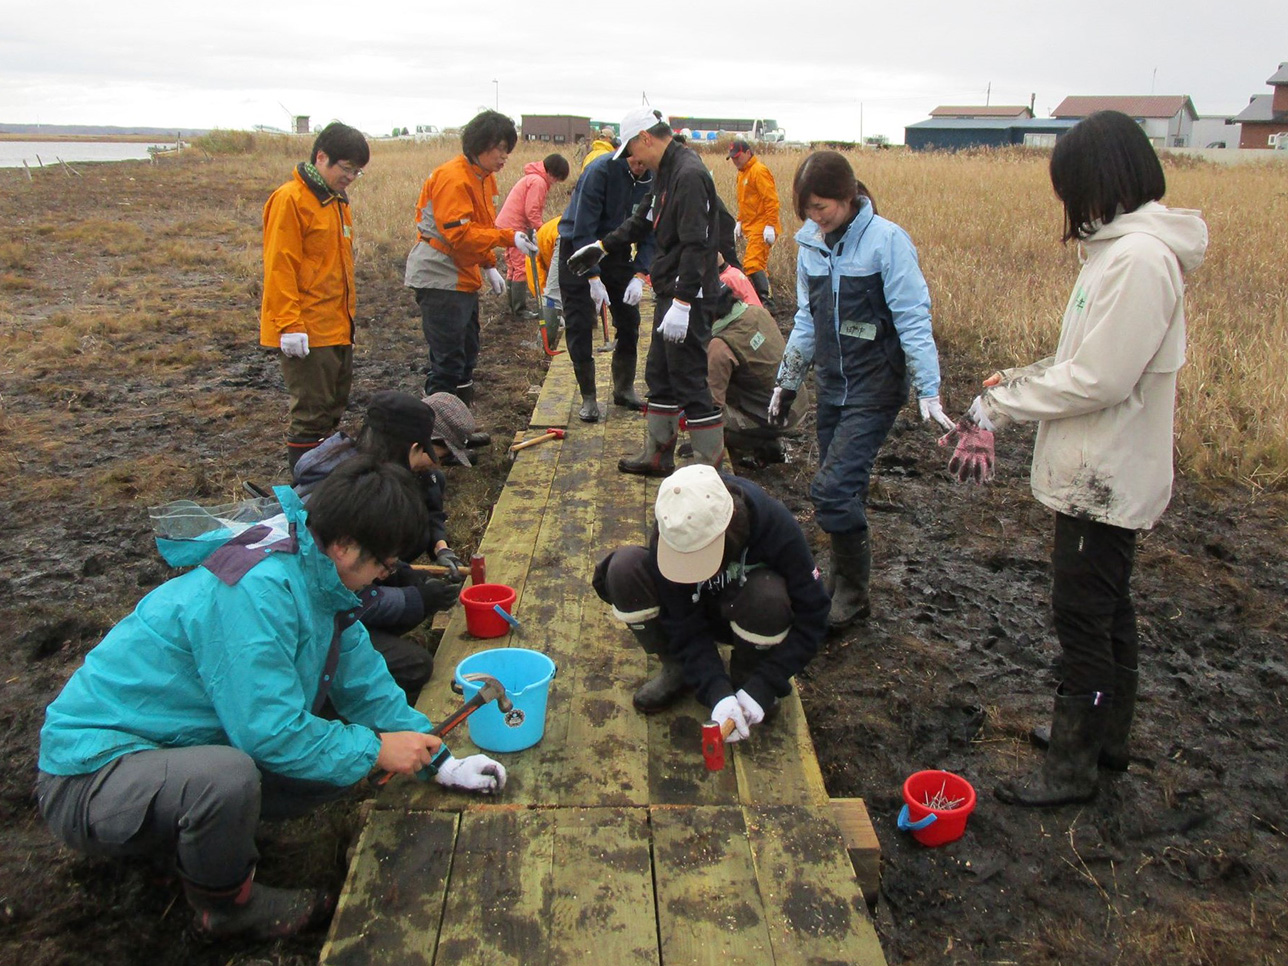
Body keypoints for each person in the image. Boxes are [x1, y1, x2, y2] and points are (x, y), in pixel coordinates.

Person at [36, 458, 507, 942]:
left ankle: (192, 840)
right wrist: (374, 749)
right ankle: (227, 907)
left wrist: (443, 762)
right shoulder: (257, 589)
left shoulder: (317, 572)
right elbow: (267, 730)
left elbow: (365, 681)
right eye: (384, 565)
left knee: (323, 769)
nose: (385, 578)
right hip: (91, 774)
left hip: (169, 748)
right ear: (345, 546)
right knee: (231, 777)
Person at [939, 111, 1208, 808]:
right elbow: (1081, 361)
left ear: (1103, 181)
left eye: (1073, 191)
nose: (1070, 209)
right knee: (1108, 610)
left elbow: (1101, 381)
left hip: (1106, 476)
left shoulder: (1141, 261)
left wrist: (1003, 407)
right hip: (1100, 469)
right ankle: (1103, 740)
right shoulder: (1117, 255)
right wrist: (1014, 378)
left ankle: (1071, 769)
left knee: (1084, 619)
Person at [770, 151, 954, 628]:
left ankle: (851, 593)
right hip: (832, 384)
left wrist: (928, 390)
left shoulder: (886, 242)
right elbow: (807, 319)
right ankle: (840, 584)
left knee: (830, 491)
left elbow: (914, 317)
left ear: (850, 197)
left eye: (823, 207)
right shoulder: (811, 245)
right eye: (807, 209)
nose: (816, 218)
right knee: (840, 491)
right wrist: (787, 381)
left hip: (875, 387)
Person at [592, 465, 829, 737]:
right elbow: (681, 619)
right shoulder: (674, 525)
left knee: (768, 596)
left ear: (731, 530)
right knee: (624, 569)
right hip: (699, 611)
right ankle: (677, 668)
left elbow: (815, 614)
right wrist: (716, 690)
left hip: (746, 612)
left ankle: (748, 673)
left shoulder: (775, 525)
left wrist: (766, 683)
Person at [291, 391, 474, 702]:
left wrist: (406, 574)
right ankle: (329, 704)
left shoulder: (373, 475)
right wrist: (414, 600)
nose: (437, 467)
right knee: (415, 664)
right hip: (312, 623)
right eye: (437, 455)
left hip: (329, 606)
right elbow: (336, 596)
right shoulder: (354, 494)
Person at [569, 107, 725, 470]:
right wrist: (603, 246)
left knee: (688, 376)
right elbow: (644, 219)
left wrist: (684, 303)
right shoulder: (666, 172)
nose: (632, 159)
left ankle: (708, 467)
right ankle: (658, 454)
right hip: (671, 288)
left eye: (632, 151)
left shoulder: (688, 174)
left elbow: (696, 243)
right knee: (659, 371)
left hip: (689, 292)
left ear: (646, 138)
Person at [404, 110, 540, 404]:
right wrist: (508, 238)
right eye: (500, 148)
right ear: (480, 144)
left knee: (467, 354)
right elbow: (460, 235)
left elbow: (481, 226)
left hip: (462, 276)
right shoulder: (453, 178)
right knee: (448, 360)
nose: (504, 157)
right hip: (439, 276)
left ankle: (459, 427)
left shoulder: (484, 178)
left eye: (508, 150)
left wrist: (490, 265)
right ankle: (440, 437)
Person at [260, 122, 368, 471]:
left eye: (357, 171)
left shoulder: (337, 203)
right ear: (321, 157)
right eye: (347, 168)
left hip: (338, 328)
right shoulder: (291, 199)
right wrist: (290, 325)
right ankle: (305, 492)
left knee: (333, 408)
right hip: (307, 330)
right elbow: (280, 267)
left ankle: (324, 482)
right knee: (310, 414)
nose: (351, 177)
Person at [557, 139, 657, 421]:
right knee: (579, 322)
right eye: (634, 162)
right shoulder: (600, 171)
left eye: (644, 163)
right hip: (578, 248)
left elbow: (651, 233)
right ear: (624, 153)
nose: (639, 168)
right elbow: (583, 226)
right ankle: (588, 397)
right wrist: (592, 277)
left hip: (617, 250)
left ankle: (623, 388)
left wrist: (640, 273)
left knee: (629, 319)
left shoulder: (654, 178)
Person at [706, 284, 809, 468]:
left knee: (705, 415)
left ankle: (762, 443)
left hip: (778, 415)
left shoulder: (720, 345)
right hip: (798, 400)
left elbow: (713, 404)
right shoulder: (757, 312)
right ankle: (768, 435)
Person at [495, 153, 570, 319]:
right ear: (552, 173)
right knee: (521, 265)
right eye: (557, 179)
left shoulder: (532, 178)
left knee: (513, 266)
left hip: (506, 224)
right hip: (515, 227)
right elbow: (532, 211)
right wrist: (541, 231)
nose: (555, 183)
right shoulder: (538, 182)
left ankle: (513, 306)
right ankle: (519, 309)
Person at [727, 139, 781, 306]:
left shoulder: (759, 171)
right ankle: (763, 300)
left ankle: (767, 302)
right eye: (733, 158)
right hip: (752, 227)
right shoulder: (742, 173)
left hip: (763, 226)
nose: (735, 161)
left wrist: (771, 225)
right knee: (758, 265)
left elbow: (770, 200)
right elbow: (745, 202)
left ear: (748, 153)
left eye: (738, 156)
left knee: (752, 263)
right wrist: (740, 221)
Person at [525, 215, 564, 345]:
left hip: (562, 237)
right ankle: (589, 321)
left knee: (552, 295)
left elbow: (537, 283)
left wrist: (549, 306)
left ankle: (543, 344)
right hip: (581, 232)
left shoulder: (532, 255)